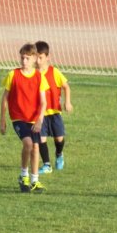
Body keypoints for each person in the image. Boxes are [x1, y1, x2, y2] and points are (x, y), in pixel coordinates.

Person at [0, 43, 49, 193]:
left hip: (34, 119)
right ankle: (23, 175)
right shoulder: (13, 75)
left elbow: (43, 102)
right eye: (22, 58)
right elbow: (5, 98)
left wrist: (40, 120)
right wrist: (2, 120)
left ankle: (34, 180)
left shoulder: (39, 77)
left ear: (35, 59)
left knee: (35, 147)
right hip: (18, 117)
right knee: (28, 144)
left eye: (27, 58)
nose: (24, 61)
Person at [35, 41, 73, 174]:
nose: (38, 60)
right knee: (41, 139)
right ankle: (46, 164)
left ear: (47, 57)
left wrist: (67, 102)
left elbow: (66, 86)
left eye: (41, 57)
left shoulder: (54, 72)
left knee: (59, 139)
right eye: (36, 57)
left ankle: (59, 154)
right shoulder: (33, 74)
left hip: (55, 112)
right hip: (40, 114)